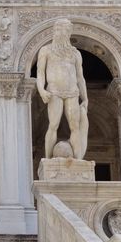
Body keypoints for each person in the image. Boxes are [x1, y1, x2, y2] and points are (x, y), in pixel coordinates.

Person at [36, 18, 88, 159]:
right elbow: (40, 73)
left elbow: (80, 77)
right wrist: (41, 90)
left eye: (65, 30)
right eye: (59, 29)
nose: (61, 33)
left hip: (73, 92)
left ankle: (78, 161)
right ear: (54, 31)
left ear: (69, 32)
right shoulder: (45, 50)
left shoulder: (75, 53)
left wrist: (85, 98)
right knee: (53, 125)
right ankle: (47, 160)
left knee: (75, 127)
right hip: (54, 92)